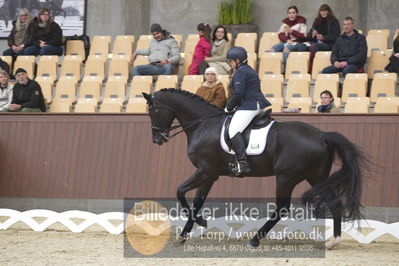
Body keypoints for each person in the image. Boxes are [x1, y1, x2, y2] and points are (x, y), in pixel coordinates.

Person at [225, 47, 271, 175]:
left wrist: (228, 107)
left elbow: (238, 93)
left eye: (230, 61)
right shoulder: (247, 70)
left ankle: (242, 163)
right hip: (254, 103)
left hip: (250, 105)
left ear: (237, 60)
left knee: (233, 130)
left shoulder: (241, 72)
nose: (230, 64)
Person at [271, 6, 307, 70]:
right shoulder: (285, 23)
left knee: (287, 48)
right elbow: (280, 34)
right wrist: (287, 40)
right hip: (288, 42)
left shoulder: (301, 22)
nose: (291, 15)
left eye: (293, 13)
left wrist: (292, 31)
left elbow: (303, 36)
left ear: (297, 14)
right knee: (273, 49)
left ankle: (285, 70)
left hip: (299, 43)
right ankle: (274, 70)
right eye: (290, 13)